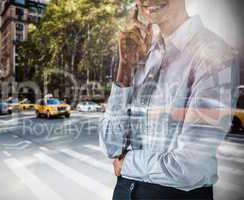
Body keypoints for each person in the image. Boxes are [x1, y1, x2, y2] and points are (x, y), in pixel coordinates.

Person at [99, 0, 239, 199]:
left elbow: (190, 167)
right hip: (124, 190)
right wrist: (125, 68)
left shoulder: (214, 54)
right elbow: (111, 146)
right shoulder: (143, 53)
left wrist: (127, 163)